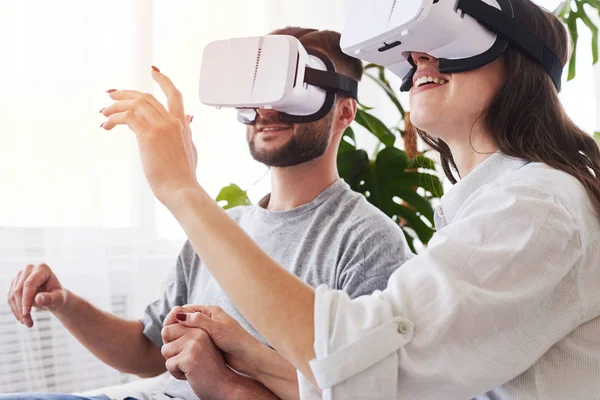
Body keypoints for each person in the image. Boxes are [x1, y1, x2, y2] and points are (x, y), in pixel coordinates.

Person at [95, 0, 600, 398]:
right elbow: (367, 381)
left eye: (445, 39)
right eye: (413, 49)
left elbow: (370, 362)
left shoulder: (536, 205)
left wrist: (181, 188)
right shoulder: (494, 207)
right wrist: (244, 357)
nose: (419, 57)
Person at [4, 28, 413, 400]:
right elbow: (148, 351)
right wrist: (65, 303)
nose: (267, 108)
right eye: (261, 86)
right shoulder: (223, 227)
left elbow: (361, 389)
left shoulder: (367, 241)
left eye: (293, 87)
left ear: (344, 112)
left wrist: (226, 381)